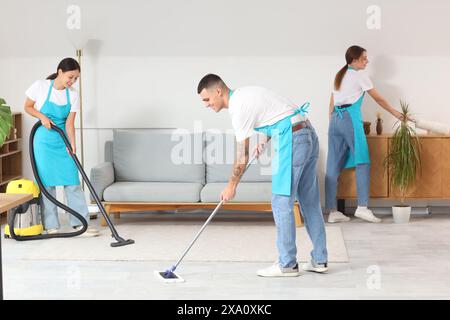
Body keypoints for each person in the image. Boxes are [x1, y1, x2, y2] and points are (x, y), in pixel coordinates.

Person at [197, 74, 328, 277]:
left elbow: (242, 155)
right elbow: (278, 114)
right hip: (307, 133)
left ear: (218, 91)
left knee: (281, 201)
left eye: (206, 99)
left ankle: (287, 264)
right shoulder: (246, 94)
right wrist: (265, 140)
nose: (206, 104)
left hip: (292, 138)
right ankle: (319, 260)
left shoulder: (237, 108)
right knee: (309, 201)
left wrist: (231, 186)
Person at [325, 45, 403, 223]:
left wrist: (332, 124)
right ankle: (362, 207)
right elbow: (379, 99)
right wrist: (395, 113)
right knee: (363, 161)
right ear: (354, 60)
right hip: (350, 119)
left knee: (332, 166)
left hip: (335, 120)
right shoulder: (361, 76)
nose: (367, 61)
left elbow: (332, 101)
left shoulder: (340, 74)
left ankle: (332, 211)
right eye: (364, 58)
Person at [24, 58, 99, 236]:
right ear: (60, 72)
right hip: (43, 141)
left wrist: (73, 145)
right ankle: (51, 225)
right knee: (47, 184)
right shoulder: (41, 86)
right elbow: (27, 107)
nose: (72, 82)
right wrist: (42, 117)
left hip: (62, 139)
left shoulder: (73, 94)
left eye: (76, 79)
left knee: (72, 182)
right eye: (70, 77)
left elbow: (70, 124)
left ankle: (80, 224)